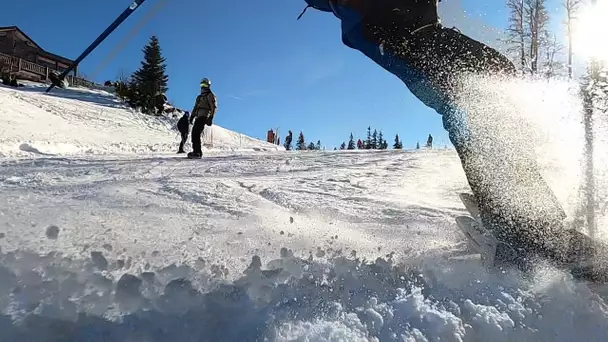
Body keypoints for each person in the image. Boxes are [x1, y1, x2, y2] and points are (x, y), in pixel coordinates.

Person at [299, 0, 608, 281]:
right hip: (392, 32)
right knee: (464, 101)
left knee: (497, 73)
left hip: (424, 30)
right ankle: (515, 223)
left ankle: (524, 203)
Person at [188, 78, 217, 159]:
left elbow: (213, 107)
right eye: (202, 85)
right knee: (194, 133)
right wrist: (192, 116)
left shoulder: (210, 95)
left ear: (208, 86)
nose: (203, 87)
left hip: (204, 116)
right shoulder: (199, 97)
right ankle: (196, 151)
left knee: (196, 133)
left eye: (205, 85)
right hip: (198, 116)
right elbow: (195, 107)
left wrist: (211, 117)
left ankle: (197, 152)